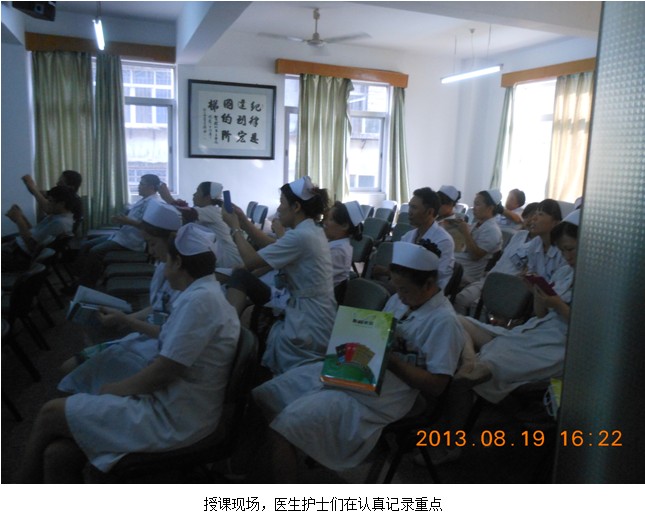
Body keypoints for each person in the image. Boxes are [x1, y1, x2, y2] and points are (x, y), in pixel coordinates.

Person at [14, 223, 241, 483]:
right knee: (58, 455)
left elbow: (165, 372)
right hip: (173, 402)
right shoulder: (200, 294)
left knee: (50, 413)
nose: (160, 262)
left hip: (174, 417)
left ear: (178, 262)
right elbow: (170, 341)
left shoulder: (200, 302)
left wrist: (114, 390)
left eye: (166, 259)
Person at [251, 241, 465, 481]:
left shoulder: (444, 322)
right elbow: (378, 333)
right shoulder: (400, 300)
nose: (399, 296)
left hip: (386, 396)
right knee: (266, 394)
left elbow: (437, 386)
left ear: (428, 284)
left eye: (405, 290)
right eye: (397, 288)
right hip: (358, 373)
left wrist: (390, 360)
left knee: (284, 429)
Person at [58, 201, 183, 392]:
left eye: (152, 244)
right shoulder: (162, 267)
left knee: (72, 377)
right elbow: (158, 306)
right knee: (68, 368)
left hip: (156, 351)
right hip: (145, 337)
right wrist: (125, 317)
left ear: (172, 240)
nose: (150, 251)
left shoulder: (182, 281)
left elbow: (168, 333)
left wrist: (127, 320)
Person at [457, 210, 580, 403]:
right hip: (533, 331)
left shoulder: (602, 287)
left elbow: (587, 334)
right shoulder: (564, 273)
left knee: (493, 360)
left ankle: (475, 369)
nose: (567, 257)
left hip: (557, 346)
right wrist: (537, 293)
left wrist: (558, 304)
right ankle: (470, 360)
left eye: (570, 249)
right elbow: (541, 315)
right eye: (563, 251)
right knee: (456, 321)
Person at [222, 176, 336, 376]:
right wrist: (244, 222)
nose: (279, 208)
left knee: (241, 276)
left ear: (296, 207)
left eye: (282, 202)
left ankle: (224, 339)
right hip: (309, 305)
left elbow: (251, 261)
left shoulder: (301, 236)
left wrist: (235, 228)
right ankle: (228, 335)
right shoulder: (310, 230)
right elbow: (275, 248)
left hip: (309, 318)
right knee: (241, 277)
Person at [453, 199, 564, 315]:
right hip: (492, 278)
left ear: (555, 222)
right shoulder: (524, 238)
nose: (533, 219)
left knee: (478, 307)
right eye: (533, 215)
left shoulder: (558, 252)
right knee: (461, 299)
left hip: (514, 288)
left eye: (540, 214)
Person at [72, 174, 161, 289]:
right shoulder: (144, 200)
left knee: (95, 251)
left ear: (151, 187)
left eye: (141, 184)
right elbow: (133, 219)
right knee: (86, 245)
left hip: (132, 241)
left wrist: (127, 221)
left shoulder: (154, 203)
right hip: (122, 236)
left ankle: (87, 284)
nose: (138, 186)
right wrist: (121, 220)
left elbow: (148, 227)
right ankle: (78, 278)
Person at [159, 181, 242, 269]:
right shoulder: (205, 210)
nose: (194, 194)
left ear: (207, 197)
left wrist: (168, 198)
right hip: (219, 255)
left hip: (228, 259)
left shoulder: (213, 210)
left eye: (198, 191)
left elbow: (187, 213)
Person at [2, 185, 76, 272]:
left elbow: (32, 246)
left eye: (50, 201)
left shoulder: (60, 223)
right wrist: (22, 217)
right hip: (17, 249)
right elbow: (34, 233)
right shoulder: (57, 217)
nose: (47, 203)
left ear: (62, 204)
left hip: (21, 257)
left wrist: (19, 221)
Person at [400, 187, 455, 289]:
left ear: (430, 212)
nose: (409, 212)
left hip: (427, 292)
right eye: (410, 206)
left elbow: (437, 278)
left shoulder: (443, 241)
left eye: (414, 208)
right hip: (405, 288)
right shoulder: (407, 236)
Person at [451, 189, 504, 286]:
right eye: (474, 204)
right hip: (458, 263)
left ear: (490, 208)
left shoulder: (493, 230)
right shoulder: (477, 224)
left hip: (466, 272)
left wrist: (465, 232)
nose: (473, 208)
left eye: (477, 204)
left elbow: (475, 256)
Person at [322, 200, 363, 286]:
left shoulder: (339, 251)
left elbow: (314, 277)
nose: (325, 223)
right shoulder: (336, 244)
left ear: (344, 226)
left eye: (330, 219)